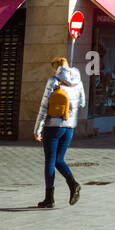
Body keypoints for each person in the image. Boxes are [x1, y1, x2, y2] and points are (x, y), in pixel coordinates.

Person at [33, 56, 86, 208]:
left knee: (50, 161)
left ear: (56, 67)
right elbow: (82, 103)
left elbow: (44, 107)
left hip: (53, 127)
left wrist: (37, 129)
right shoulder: (78, 81)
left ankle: (49, 198)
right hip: (69, 127)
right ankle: (73, 184)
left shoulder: (54, 80)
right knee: (59, 160)